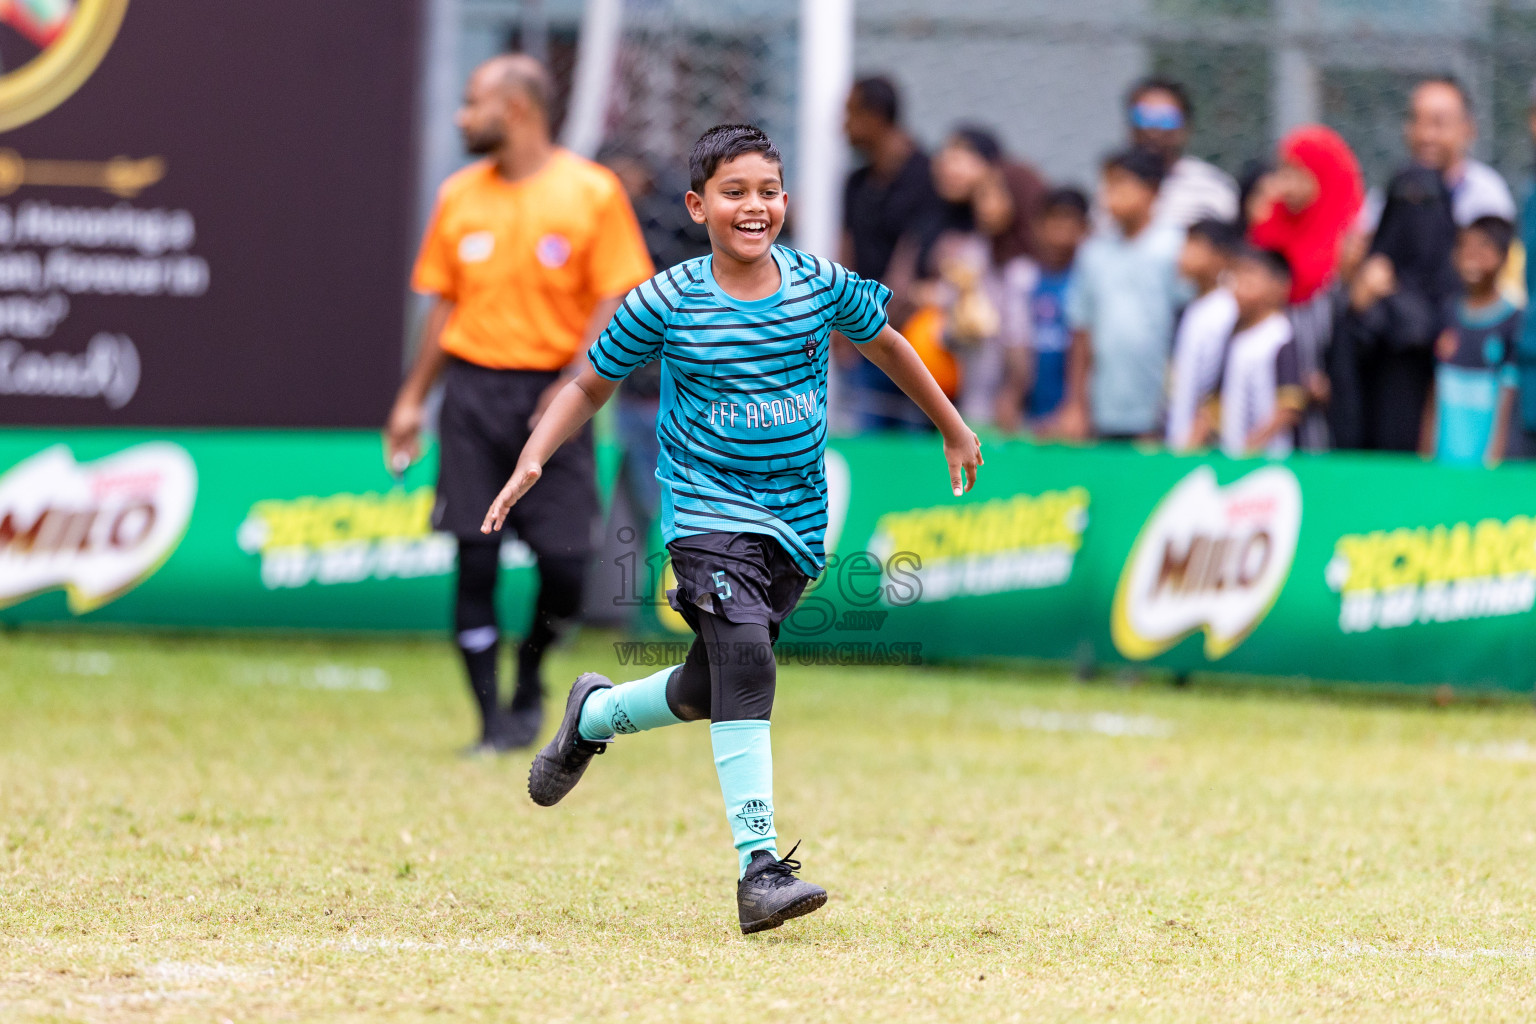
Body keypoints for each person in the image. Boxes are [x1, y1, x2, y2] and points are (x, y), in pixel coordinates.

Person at [480, 125, 982, 934]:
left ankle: (594, 716)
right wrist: (536, 455)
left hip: (794, 526)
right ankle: (760, 869)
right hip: (706, 514)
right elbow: (590, 383)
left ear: (786, 201)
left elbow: (887, 345)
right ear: (698, 205)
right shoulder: (667, 297)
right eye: (734, 192)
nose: (754, 207)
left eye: (767, 192)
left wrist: (952, 426)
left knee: (711, 687)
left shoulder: (819, 283)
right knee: (747, 661)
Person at [384, 55, 654, 754]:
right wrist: (413, 399)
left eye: (473, 102)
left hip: (558, 396)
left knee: (566, 565)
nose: (460, 116)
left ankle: (532, 676)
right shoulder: (459, 196)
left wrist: (574, 382)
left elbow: (615, 295)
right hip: (473, 395)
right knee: (474, 557)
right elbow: (443, 307)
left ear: (517, 111)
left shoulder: (591, 192)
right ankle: (491, 723)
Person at [839, 75, 947, 430]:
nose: (843, 126)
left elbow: (913, 257)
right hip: (868, 336)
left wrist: (873, 321)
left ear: (876, 116)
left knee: (918, 447)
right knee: (871, 442)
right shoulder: (857, 184)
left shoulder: (926, 175)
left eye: (850, 114)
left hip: (918, 339)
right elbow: (847, 250)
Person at [1056, 147, 1183, 441]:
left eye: (1120, 183)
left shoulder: (1175, 248)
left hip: (1162, 413)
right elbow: (1081, 330)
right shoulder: (1092, 251)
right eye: (1106, 184)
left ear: (1152, 190)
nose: (1109, 194)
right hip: (1103, 410)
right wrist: (1076, 404)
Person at [927, 126, 1047, 428]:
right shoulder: (971, 256)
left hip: (1023, 406)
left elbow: (1021, 339)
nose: (984, 205)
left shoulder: (1028, 268)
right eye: (980, 195)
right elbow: (952, 325)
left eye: (994, 195)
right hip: (974, 397)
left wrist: (1014, 392)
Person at [1423, 216, 1522, 467]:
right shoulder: (1446, 312)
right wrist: (1426, 452)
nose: (1471, 255)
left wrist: (1496, 457)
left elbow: (1508, 396)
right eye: (1464, 246)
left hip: (1485, 465)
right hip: (1444, 460)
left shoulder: (1513, 321)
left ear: (1503, 256)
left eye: (1483, 246)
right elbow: (1435, 388)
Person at [1193, 247, 1304, 459]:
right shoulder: (1235, 337)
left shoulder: (1280, 334)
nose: (1241, 287)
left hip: (1271, 459)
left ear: (1276, 286)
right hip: (1232, 456)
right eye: (1237, 276)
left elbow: (1289, 407)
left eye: (1250, 276)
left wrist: (1252, 445)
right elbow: (1217, 401)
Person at [1124, 77, 1239, 231]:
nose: (1153, 130)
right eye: (1143, 117)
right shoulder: (1113, 189)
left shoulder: (1212, 187)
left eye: (1166, 119)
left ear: (1186, 127)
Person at [1166, 218, 1240, 452]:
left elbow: (1217, 380)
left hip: (1206, 443)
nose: (1182, 255)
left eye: (1194, 246)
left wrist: (1199, 432)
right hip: (1182, 436)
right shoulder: (1194, 307)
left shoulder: (1225, 309)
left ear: (1220, 257)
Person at [1021, 187, 1091, 427]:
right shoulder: (1026, 279)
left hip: (1071, 417)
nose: (1061, 231)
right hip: (1028, 413)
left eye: (1070, 222)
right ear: (1038, 225)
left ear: (1085, 229)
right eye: (1055, 220)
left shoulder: (1085, 282)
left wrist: (1075, 406)